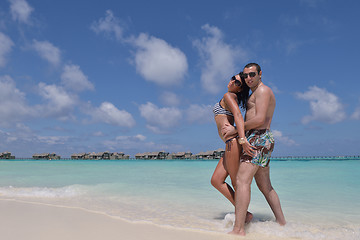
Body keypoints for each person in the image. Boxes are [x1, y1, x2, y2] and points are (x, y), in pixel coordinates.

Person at [224, 63, 286, 236]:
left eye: (252, 74)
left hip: (258, 138)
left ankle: (238, 229)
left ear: (260, 74)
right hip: (261, 139)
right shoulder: (255, 93)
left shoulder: (263, 91)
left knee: (242, 181)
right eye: (245, 76)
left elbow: (259, 119)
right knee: (265, 186)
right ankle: (282, 224)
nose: (248, 78)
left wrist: (236, 129)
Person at [210, 73, 255, 223]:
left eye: (236, 82)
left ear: (240, 88)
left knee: (237, 182)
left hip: (233, 142)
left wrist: (242, 139)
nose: (232, 82)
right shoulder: (230, 96)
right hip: (229, 143)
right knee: (216, 180)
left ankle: (242, 220)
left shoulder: (229, 95)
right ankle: (245, 214)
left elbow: (237, 115)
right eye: (232, 78)